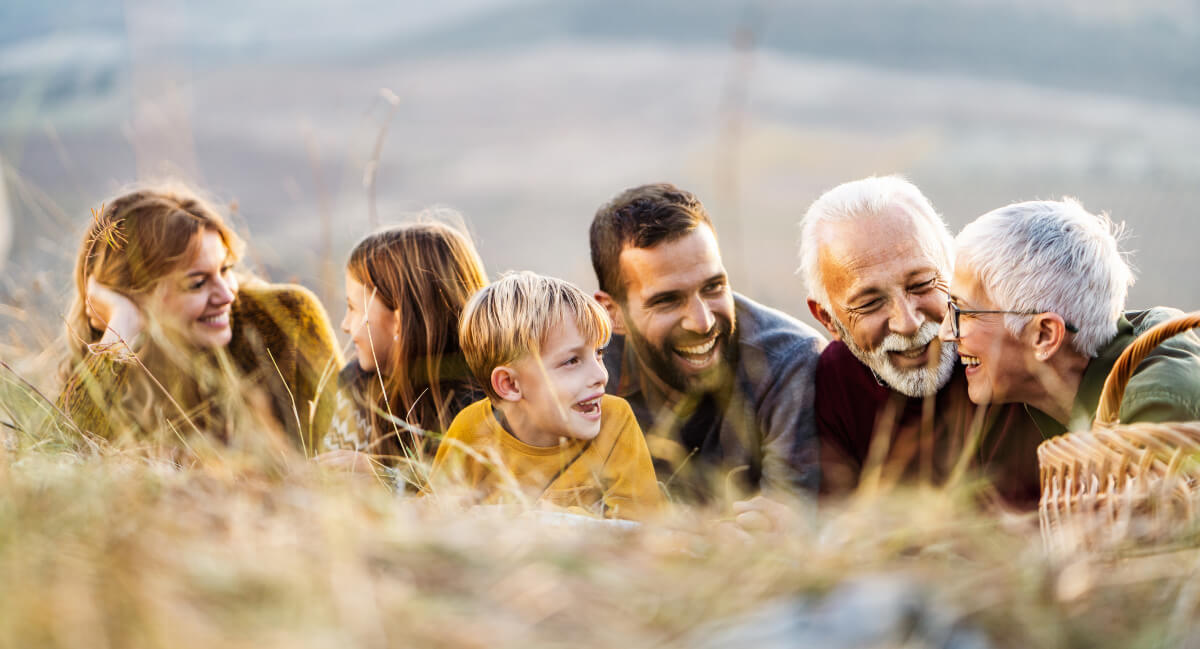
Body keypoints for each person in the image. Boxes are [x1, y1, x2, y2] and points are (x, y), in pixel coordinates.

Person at [800, 176, 1041, 505]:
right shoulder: (834, 382)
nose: (908, 323)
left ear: (955, 271)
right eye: (870, 303)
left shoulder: (1013, 348)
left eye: (922, 284)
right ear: (829, 319)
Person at [58, 185, 342, 452]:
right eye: (197, 283)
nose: (226, 295)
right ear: (135, 298)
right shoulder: (113, 354)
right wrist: (120, 332)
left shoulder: (286, 319)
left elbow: (355, 451)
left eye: (226, 269)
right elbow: (55, 455)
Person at [589, 182, 825, 501]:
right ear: (612, 313)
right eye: (667, 301)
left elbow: (788, 520)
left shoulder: (789, 361)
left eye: (713, 287)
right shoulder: (580, 370)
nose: (702, 322)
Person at [940, 198, 1200, 437]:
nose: (946, 333)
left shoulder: (1156, 416)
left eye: (964, 312)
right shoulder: (1047, 400)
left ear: (1045, 336)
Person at [430, 272, 662, 521]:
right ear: (509, 384)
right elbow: (430, 512)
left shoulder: (615, 420)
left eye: (598, 354)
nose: (601, 375)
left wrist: (551, 519)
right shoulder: (470, 430)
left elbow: (644, 524)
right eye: (572, 361)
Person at [319, 221, 488, 488]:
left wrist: (385, 480)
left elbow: (475, 497)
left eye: (353, 308)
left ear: (399, 320)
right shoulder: (356, 383)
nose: (345, 324)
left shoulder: (482, 404)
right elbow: (331, 476)